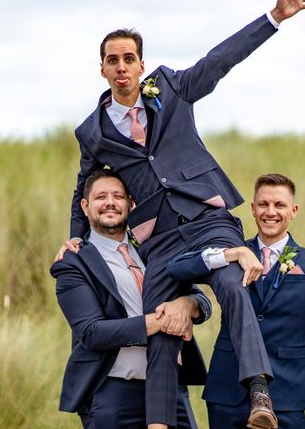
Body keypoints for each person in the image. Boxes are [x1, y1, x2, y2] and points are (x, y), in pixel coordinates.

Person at [57, 0, 305, 429]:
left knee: (232, 284)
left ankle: (258, 391)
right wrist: (75, 240)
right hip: (157, 239)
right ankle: (161, 422)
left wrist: (275, 17)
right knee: (158, 317)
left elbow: (219, 61)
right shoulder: (92, 132)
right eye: (112, 60)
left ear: (141, 65)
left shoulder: (172, 88)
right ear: (101, 69)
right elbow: (83, 185)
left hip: (207, 217)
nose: (122, 67)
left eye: (129, 59)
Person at [167, 173, 305, 428]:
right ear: (253, 209)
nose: (271, 212)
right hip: (228, 390)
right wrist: (231, 253)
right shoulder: (231, 253)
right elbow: (176, 267)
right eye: (264, 204)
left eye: (279, 205)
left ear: (294, 210)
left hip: (286, 392)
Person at [51, 169, 213, 429]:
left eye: (118, 196)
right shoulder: (73, 263)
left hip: (170, 388)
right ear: (85, 206)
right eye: (100, 197)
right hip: (113, 394)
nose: (110, 203)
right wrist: (161, 321)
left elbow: (202, 302)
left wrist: (186, 305)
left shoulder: (156, 248)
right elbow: (93, 333)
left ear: (131, 202)